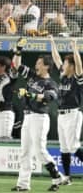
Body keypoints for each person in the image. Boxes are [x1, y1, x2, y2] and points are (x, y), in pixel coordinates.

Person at [11, 39, 63, 191]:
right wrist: (19, 49)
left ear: (47, 66)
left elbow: (47, 98)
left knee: (40, 151)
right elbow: (17, 65)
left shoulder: (51, 83)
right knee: (25, 152)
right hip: (28, 117)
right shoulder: (33, 76)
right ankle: (23, 184)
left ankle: (56, 176)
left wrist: (29, 94)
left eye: (39, 63)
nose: (36, 65)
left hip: (40, 118)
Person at [50, 35, 83, 185]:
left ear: (71, 66)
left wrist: (74, 46)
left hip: (73, 114)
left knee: (73, 146)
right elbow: (56, 58)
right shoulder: (63, 76)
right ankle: (68, 177)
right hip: (61, 115)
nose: (62, 65)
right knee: (63, 148)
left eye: (65, 63)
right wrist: (52, 42)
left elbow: (79, 65)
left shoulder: (76, 78)